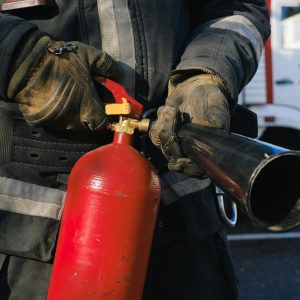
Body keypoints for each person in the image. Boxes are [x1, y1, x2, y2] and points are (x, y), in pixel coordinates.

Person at [0, 1, 270, 299]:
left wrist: (207, 73)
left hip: (183, 238)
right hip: (30, 248)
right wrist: (21, 59)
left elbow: (234, 9)